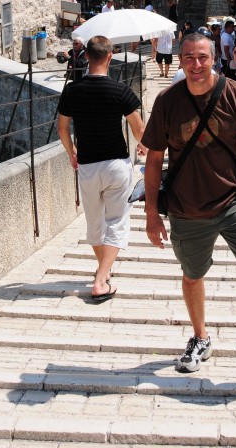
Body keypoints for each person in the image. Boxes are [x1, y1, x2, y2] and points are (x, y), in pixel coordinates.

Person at [141, 32, 236, 410]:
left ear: (214, 59)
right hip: (186, 207)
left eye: (202, 57)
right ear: (179, 60)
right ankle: (201, 337)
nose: (195, 64)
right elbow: (154, 159)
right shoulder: (168, 102)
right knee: (193, 275)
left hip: (232, 201)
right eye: (188, 57)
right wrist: (151, 213)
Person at [58, 35, 145, 302]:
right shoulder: (121, 91)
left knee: (94, 223)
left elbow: (63, 129)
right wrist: (146, 148)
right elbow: (138, 128)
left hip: (87, 165)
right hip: (117, 165)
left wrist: (72, 152)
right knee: (117, 220)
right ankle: (100, 279)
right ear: (109, 57)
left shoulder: (72, 90)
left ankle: (103, 270)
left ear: (86, 56)